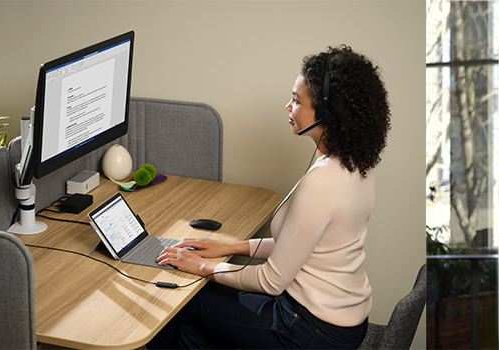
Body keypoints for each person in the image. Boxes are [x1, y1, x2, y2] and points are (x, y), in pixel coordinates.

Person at [150, 45, 390, 350]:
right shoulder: (356, 164)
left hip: (308, 330)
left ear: (328, 113)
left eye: (296, 100)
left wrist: (200, 267)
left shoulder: (323, 181)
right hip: (342, 324)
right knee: (189, 332)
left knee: (175, 296)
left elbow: (271, 281)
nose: (287, 107)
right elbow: (302, 245)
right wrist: (228, 247)